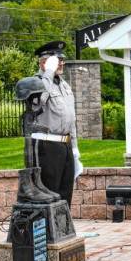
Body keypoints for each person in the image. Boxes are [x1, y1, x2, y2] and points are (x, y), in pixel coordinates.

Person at [29, 41, 82, 206]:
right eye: (57, 60)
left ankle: (61, 229)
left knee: (65, 193)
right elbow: (37, 103)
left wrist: (74, 148)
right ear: (44, 63)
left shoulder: (63, 85)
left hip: (64, 145)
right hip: (47, 145)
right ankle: (47, 231)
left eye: (62, 60)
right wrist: (49, 73)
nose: (62, 63)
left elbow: (70, 117)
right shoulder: (36, 82)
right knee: (48, 193)